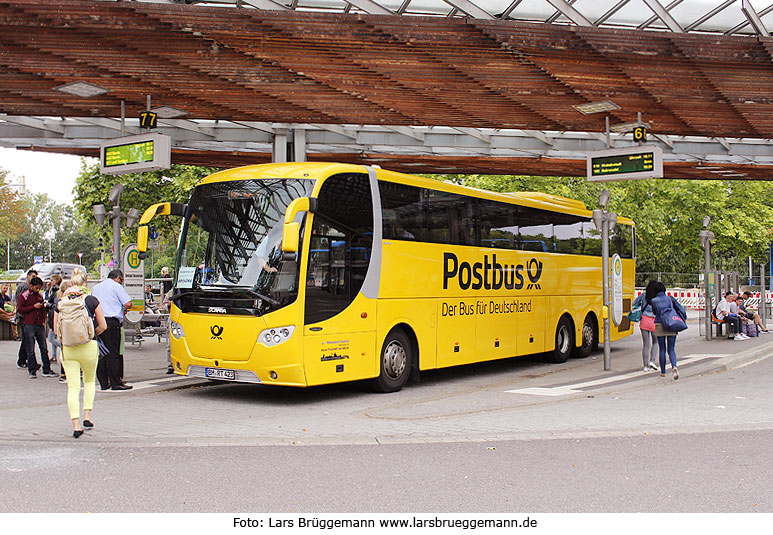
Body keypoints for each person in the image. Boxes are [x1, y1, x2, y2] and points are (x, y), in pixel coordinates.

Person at [54, 280, 107, 438]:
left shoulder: (60, 304)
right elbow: (103, 326)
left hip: (68, 348)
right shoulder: (91, 301)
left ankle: (76, 425)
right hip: (88, 346)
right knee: (89, 381)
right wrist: (91, 335)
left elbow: (56, 330)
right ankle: (87, 417)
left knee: (73, 387)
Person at [91, 269, 133, 391]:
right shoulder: (116, 287)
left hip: (98, 321)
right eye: (121, 280)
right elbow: (128, 303)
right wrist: (123, 307)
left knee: (101, 353)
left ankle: (103, 382)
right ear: (118, 278)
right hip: (111, 322)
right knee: (113, 353)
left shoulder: (96, 287)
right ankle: (116, 382)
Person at [648, 281, 687, 380]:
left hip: (660, 324)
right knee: (671, 349)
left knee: (662, 349)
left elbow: (654, 312)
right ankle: (674, 366)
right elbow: (681, 309)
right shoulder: (670, 299)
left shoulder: (654, 300)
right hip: (671, 323)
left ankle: (663, 372)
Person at [17, 276, 54, 378]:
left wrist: (42, 318)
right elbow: (20, 309)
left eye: (39, 288)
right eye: (36, 288)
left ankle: (46, 369)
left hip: (39, 324)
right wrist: (33, 307)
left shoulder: (39, 296)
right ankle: (32, 370)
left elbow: (42, 309)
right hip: (29, 323)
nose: (38, 290)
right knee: (30, 348)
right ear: (31, 286)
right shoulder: (24, 296)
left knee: (44, 347)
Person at [632, 281, 659, 372]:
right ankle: (652, 360)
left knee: (646, 344)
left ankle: (645, 366)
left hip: (644, 320)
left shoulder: (643, 296)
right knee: (655, 342)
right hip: (654, 321)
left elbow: (634, 303)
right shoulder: (657, 297)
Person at [14, 269, 37, 368]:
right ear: (28, 276)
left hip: (28, 316)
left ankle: (25, 359)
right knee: (26, 339)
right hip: (23, 316)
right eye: (33, 277)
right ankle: (22, 360)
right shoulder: (23, 288)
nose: (34, 279)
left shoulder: (30, 288)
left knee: (27, 338)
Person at [45, 274, 62, 364]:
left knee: (51, 338)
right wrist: (48, 289)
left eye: (52, 280)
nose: (50, 282)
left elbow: (52, 302)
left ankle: (63, 347)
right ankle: (54, 355)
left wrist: (49, 305)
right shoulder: (52, 289)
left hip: (54, 315)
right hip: (52, 314)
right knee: (53, 336)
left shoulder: (57, 291)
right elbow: (47, 298)